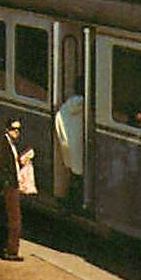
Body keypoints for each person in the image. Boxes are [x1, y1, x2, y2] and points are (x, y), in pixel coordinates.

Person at [0, 118, 27, 261]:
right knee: (14, 220)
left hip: (11, 184)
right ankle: (11, 251)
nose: (16, 132)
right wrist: (6, 183)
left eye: (18, 129)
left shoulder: (10, 144)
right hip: (9, 187)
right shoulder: (3, 145)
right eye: (13, 129)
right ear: (7, 129)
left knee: (6, 217)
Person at [55, 79, 85, 211]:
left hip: (69, 147)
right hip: (80, 148)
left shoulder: (66, 107)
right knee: (79, 178)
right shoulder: (85, 107)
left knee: (74, 176)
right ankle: (73, 205)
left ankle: (68, 205)